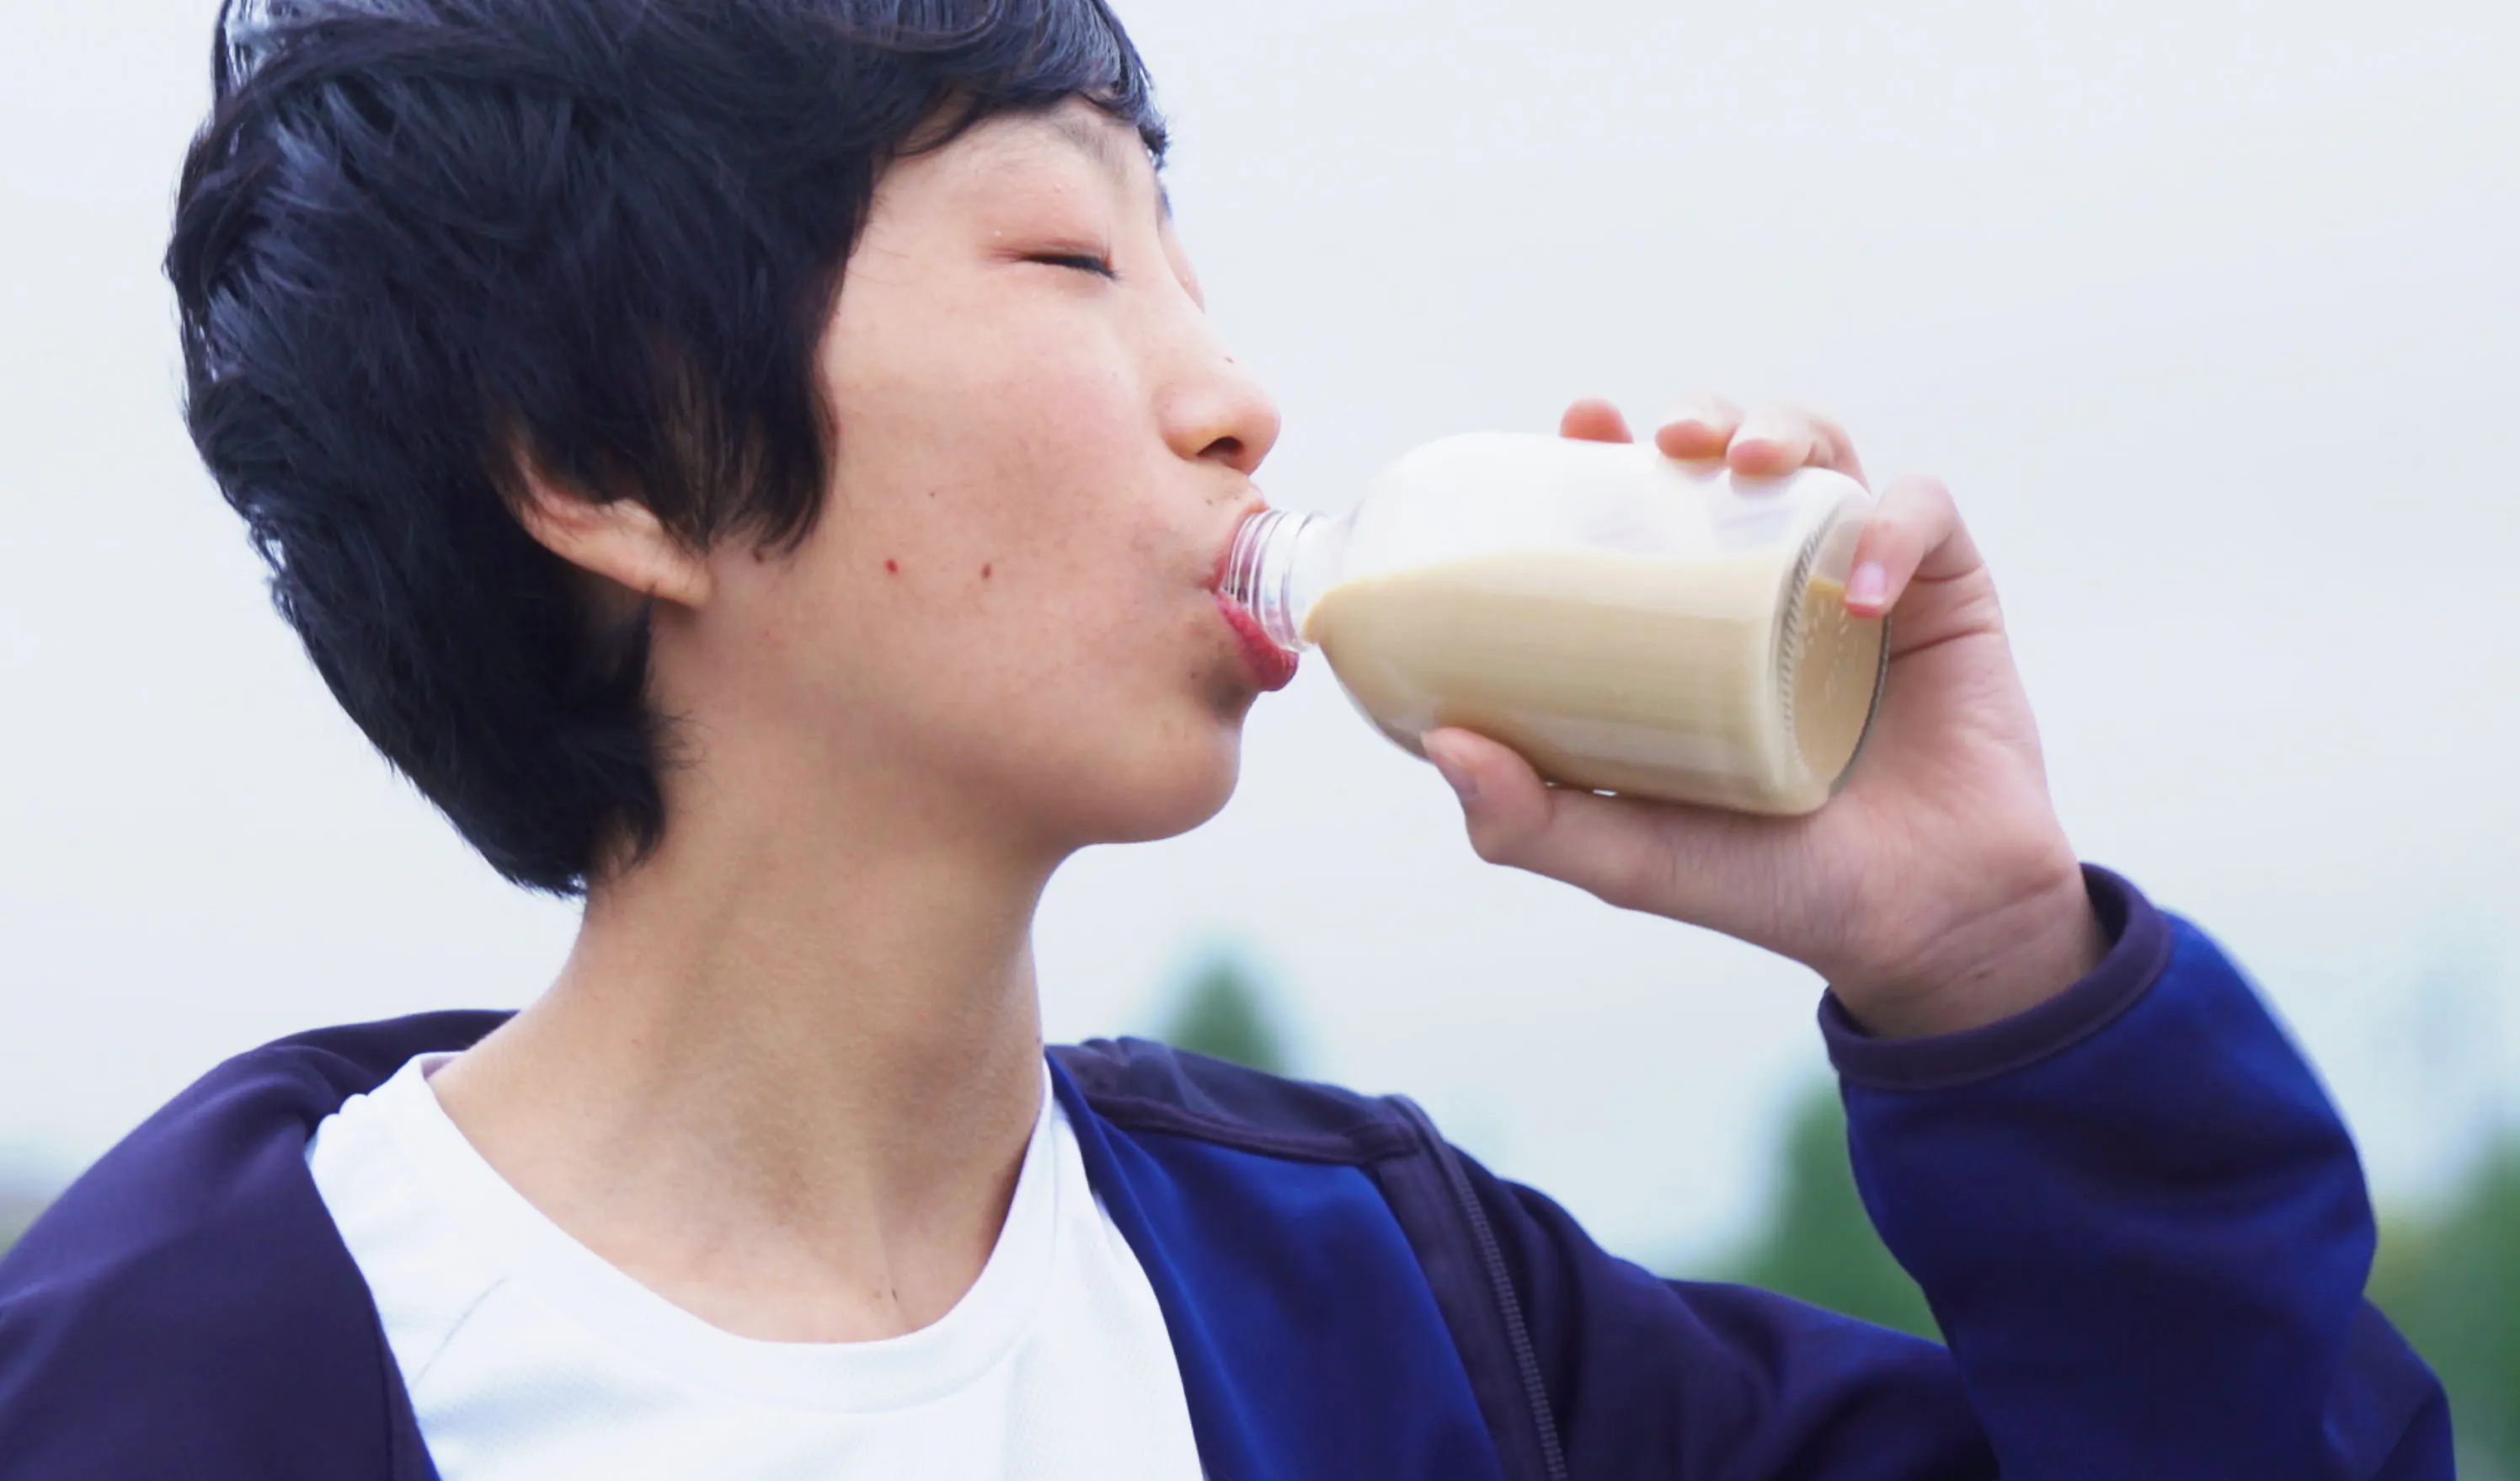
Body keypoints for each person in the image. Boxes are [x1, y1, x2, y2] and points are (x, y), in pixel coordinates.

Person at [0, 0, 2455, 1476]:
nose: (1237, 391)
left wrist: (1991, 967)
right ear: (608, 458)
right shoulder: (169, 1393)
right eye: (1070, 252)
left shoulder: (1411, 1326)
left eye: (1184, 258)